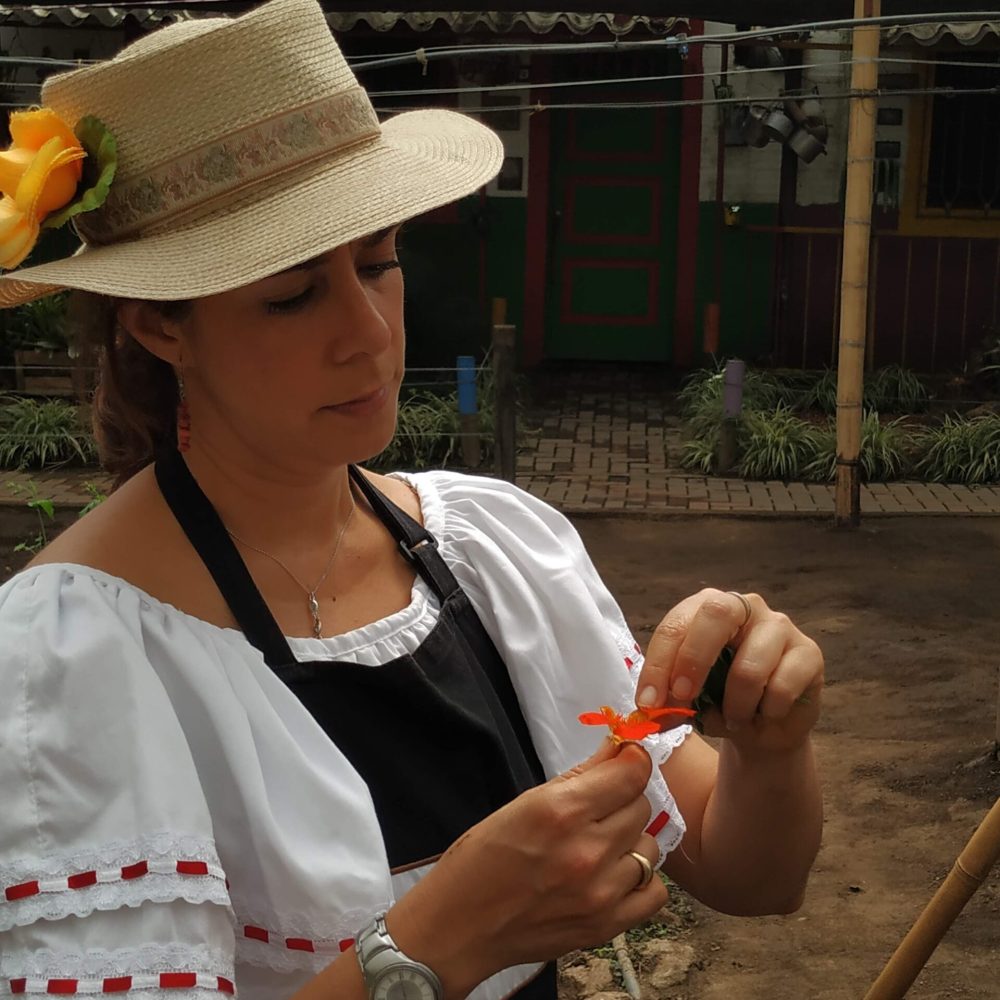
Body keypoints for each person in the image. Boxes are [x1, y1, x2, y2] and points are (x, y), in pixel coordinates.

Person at [0, 1, 824, 997]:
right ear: (163, 330)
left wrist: (772, 744)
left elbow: (751, 875)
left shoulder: (489, 548)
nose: (369, 332)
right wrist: (428, 944)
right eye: (292, 294)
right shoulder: (77, 653)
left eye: (378, 260)